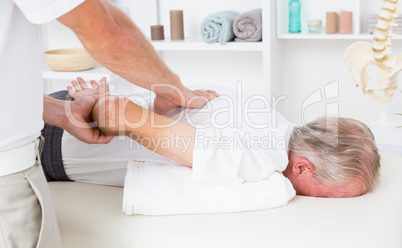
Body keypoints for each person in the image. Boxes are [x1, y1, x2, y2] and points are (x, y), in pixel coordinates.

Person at [0, 0, 216, 247]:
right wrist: (172, 89)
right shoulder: (249, 151)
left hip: (41, 131)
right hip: (18, 162)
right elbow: (110, 34)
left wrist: (62, 111)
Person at [42, 77, 381, 199]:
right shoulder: (260, 157)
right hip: (54, 139)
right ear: (304, 168)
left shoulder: (262, 110)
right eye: (326, 196)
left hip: (61, 109)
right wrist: (105, 108)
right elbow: (125, 117)